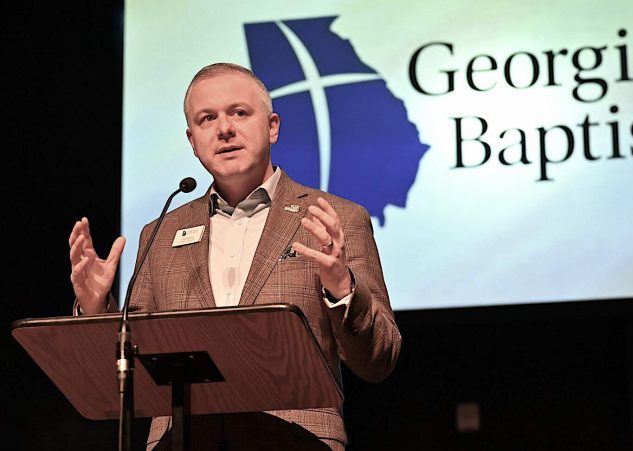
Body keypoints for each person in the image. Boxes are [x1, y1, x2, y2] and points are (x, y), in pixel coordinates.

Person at [68, 62, 401, 450]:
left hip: (295, 441)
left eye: (239, 113)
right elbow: (131, 374)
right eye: (207, 118)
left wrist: (342, 288)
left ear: (273, 126)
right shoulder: (161, 232)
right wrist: (95, 311)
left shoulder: (337, 218)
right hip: (182, 440)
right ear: (193, 141)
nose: (224, 128)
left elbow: (379, 359)